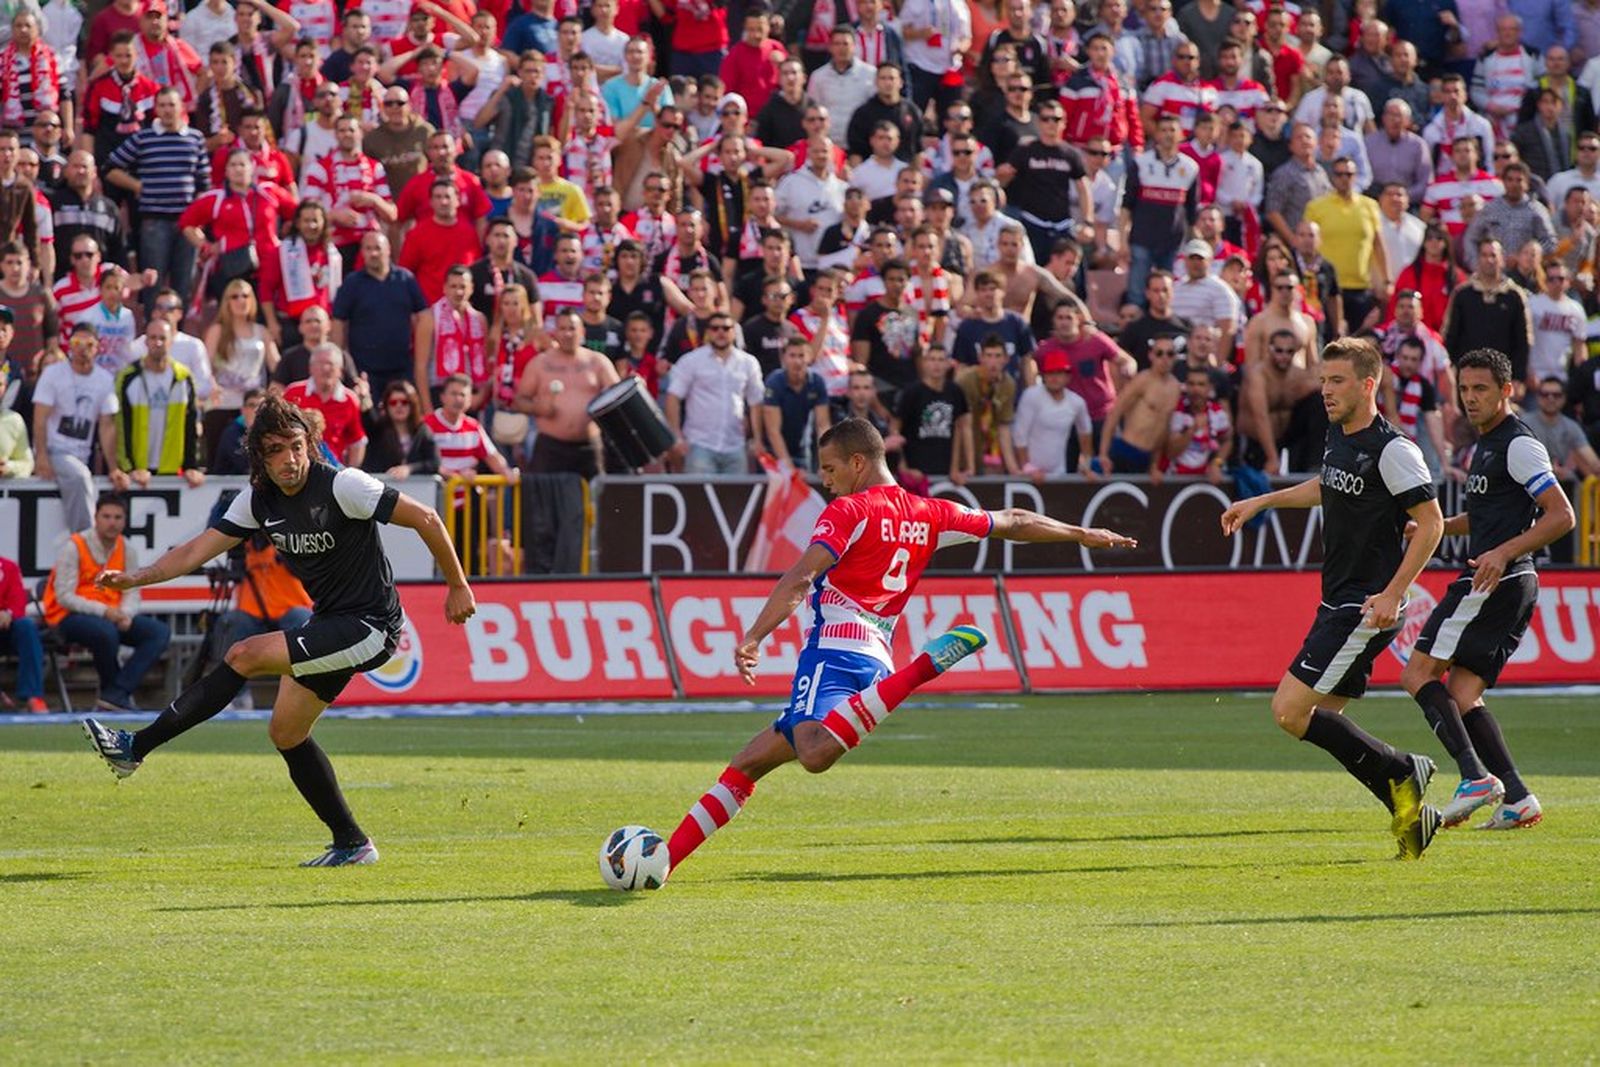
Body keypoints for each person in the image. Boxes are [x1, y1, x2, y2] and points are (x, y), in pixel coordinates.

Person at [653, 416, 1135, 883]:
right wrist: (1079, 534)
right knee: (750, 761)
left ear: (857, 462)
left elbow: (800, 578)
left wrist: (755, 636)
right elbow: (1013, 520)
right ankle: (662, 862)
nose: (825, 481)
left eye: (830, 468)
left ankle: (927, 666)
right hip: (874, 660)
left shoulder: (849, 511)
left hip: (833, 651)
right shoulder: (930, 513)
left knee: (814, 753)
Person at [82, 396, 476, 867]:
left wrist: (457, 586)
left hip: (371, 626)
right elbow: (194, 551)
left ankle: (135, 747)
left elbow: (427, 518)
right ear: (259, 458)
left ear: (310, 443)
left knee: (244, 653)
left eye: (296, 446)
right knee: (287, 732)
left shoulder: (344, 485)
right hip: (331, 623)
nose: (289, 460)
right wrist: (135, 577)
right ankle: (352, 843)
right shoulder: (258, 500)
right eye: (275, 450)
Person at [1221, 337, 1445, 858]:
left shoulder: (1394, 450)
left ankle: (1403, 770)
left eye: (1336, 380)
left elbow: (1430, 523)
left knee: (1290, 711)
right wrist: (1264, 500)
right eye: (1322, 380)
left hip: (1365, 604)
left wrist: (1394, 593)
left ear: (1368, 385)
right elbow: (1329, 484)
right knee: (1327, 720)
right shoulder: (1340, 435)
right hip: (1342, 600)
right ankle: (1408, 813)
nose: (1325, 390)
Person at [1397, 348, 1574, 830]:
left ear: (1506, 391)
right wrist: (1438, 528)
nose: (1470, 399)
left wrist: (1501, 552)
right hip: (1509, 580)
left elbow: (1561, 515)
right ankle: (1516, 797)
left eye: (1481, 389)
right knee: (1463, 693)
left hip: (1496, 579)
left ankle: (1474, 777)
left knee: (1416, 673)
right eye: (1465, 389)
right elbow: (1489, 515)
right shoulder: (1489, 444)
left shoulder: (1517, 443)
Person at [44, 492, 171, 711]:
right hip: (69, 616)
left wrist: (126, 613)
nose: (112, 523)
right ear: (96, 518)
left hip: (113, 615)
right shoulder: (75, 546)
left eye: (118, 517)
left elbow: (132, 590)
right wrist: (106, 612)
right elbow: (64, 596)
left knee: (159, 632)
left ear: (125, 520)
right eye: (107, 516)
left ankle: (116, 694)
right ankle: (114, 695)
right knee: (105, 633)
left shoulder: (127, 549)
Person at [104, 87, 211, 313]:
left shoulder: (195, 138)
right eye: (162, 105)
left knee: (183, 285)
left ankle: (177, 335)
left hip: (187, 225)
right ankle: (153, 332)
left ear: (181, 107)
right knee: (153, 282)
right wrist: (137, 186)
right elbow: (111, 167)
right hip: (154, 222)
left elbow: (204, 182)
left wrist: (198, 219)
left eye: (171, 104)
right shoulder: (144, 138)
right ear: (156, 109)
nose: (167, 110)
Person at [32, 322, 123, 532]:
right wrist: (42, 456)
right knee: (80, 477)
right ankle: (88, 541)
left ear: (98, 347)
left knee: (82, 477)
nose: (82, 348)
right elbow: (40, 418)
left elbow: (107, 426)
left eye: (89, 343)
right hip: (55, 450)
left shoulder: (104, 380)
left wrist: (113, 468)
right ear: (69, 346)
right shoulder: (53, 374)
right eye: (76, 343)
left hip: (82, 454)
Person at [516, 308, 617, 477]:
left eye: (572, 328)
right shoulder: (540, 363)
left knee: (593, 501)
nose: (567, 334)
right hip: (550, 447)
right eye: (562, 329)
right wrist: (537, 408)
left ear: (582, 332)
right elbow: (519, 400)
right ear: (555, 332)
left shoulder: (598, 362)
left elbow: (616, 396)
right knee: (546, 500)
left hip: (589, 446)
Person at [330, 231, 429, 397]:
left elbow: (424, 314)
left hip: (401, 368)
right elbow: (339, 321)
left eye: (378, 248)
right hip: (364, 371)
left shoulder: (405, 279)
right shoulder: (352, 283)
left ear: (388, 249)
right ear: (362, 252)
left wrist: (420, 359)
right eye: (368, 249)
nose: (373, 253)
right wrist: (339, 362)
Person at [665, 309, 764, 474]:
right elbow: (673, 397)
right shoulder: (691, 361)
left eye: (726, 328)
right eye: (715, 328)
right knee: (699, 499)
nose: (720, 332)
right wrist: (676, 436)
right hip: (699, 445)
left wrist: (758, 439)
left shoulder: (748, 363)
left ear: (734, 332)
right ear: (708, 332)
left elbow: (756, 402)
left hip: (735, 445)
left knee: (737, 499)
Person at [112, 317, 205, 486]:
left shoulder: (183, 377)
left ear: (171, 342)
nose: (158, 343)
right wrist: (129, 467)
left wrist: (191, 466)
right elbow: (120, 425)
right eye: (153, 338)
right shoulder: (128, 377)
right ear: (145, 341)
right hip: (137, 471)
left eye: (163, 338)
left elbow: (191, 424)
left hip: (171, 467)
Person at [203, 278, 278, 465]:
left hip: (253, 404)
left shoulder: (262, 332)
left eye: (245, 295)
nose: (240, 300)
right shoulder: (217, 330)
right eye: (234, 296)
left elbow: (277, 366)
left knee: (256, 458)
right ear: (226, 302)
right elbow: (205, 366)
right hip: (223, 404)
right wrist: (211, 385)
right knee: (218, 459)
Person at [893, 344, 973, 493]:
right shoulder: (912, 392)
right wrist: (903, 468)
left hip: (945, 472)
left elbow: (961, 428)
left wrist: (964, 467)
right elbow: (895, 429)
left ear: (948, 364)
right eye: (932, 359)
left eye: (941, 360)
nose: (936, 364)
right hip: (916, 473)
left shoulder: (955, 391)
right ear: (924, 362)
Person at [1098, 338, 1180, 477]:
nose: (1165, 358)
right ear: (1151, 356)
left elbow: (1163, 428)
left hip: (1148, 457)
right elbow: (1115, 414)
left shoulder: (1175, 387)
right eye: (1159, 353)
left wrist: (1155, 464)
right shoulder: (1143, 380)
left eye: (1170, 354)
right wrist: (1103, 454)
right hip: (1127, 449)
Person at [1013, 346, 1094, 480]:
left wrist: (1085, 465)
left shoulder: (1077, 402)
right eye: (1050, 373)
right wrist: (1027, 468)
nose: (1054, 377)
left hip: (1058, 472)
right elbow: (1020, 434)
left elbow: (1085, 432)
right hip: (1030, 474)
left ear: (1068, 376)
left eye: (1059, 373)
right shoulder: (1031, 396)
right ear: (1043, 376)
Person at [284, 344, 367, 468]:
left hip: (332, 471)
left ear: (340, 370)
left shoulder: (349, 400)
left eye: (330, 364)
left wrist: (351, 473)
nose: (325, 368)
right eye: (320, 363)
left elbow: (357, 441)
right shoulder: (293, 393)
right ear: (310, 368)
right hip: (297, 468)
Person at [762, 335, 831, 471]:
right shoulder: (774, 382)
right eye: (792, 356)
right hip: (772, 451)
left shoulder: (817, 382)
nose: (797, 361)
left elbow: (823, 425)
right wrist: (786, 463)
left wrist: (826, 462)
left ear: (810, 358)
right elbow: (773, 430)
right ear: (784, 358)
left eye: (801, 355)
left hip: (802, 449)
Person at [0, 549, 46, 712]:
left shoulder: (8, 567)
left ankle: (32, 696)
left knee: (26, 627)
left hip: (6, 629)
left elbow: (18, 602)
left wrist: (8, 613)